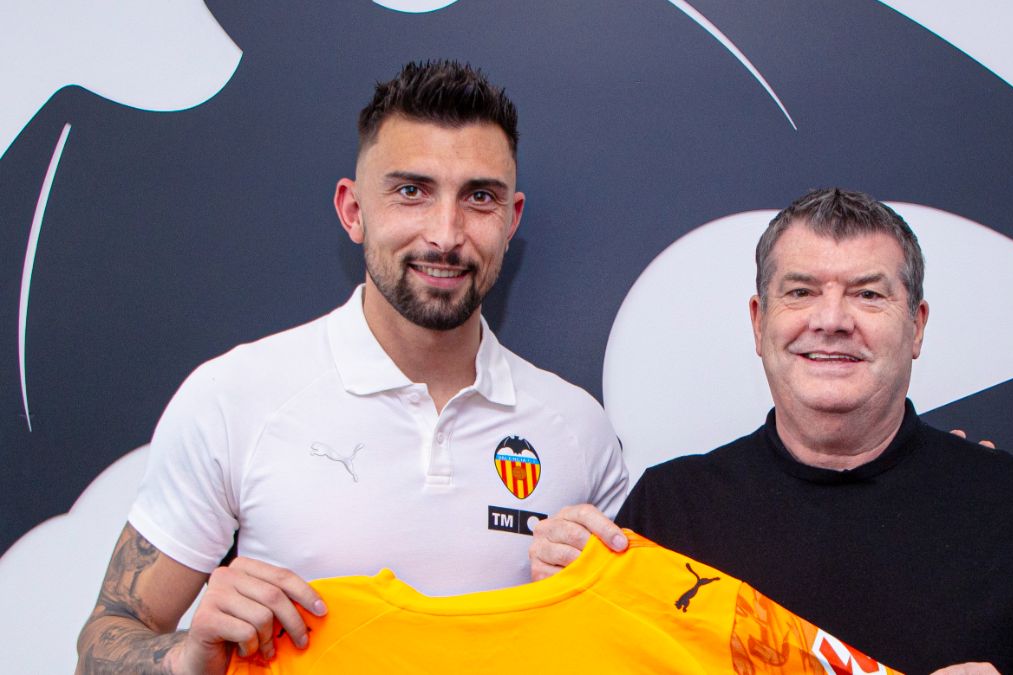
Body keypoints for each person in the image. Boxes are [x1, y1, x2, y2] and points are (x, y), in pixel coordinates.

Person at [76, 60, 627, 674]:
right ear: (353, 209)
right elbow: (103, 643)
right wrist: (188, 657)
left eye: (479, 197)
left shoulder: (579, 430)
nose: (445, 234)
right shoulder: (233, 398)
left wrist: (599, 601)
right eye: (411, 191)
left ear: (511, 219)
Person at [529, 188, 1013, 674]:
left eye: (868, 294)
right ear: (760, 323)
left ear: (916, 327)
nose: (832, 319)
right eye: (801, 292)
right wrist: (565, 601)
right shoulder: (670, 509)